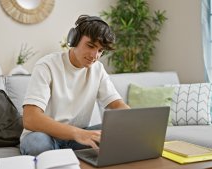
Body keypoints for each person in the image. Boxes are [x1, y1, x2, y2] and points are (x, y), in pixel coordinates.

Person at [20, 14, 130, 156]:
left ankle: (65, 156)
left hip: (78, 138)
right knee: (37, 144)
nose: (95, 55)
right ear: (74, 40)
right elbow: (30, 119)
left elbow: (117, 105)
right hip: (45, 135)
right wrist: (78, 133)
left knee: (118, 130)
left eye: (100, 50)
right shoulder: (47, 65)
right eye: (90, 46)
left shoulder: (98, 69)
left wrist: (133, 122)